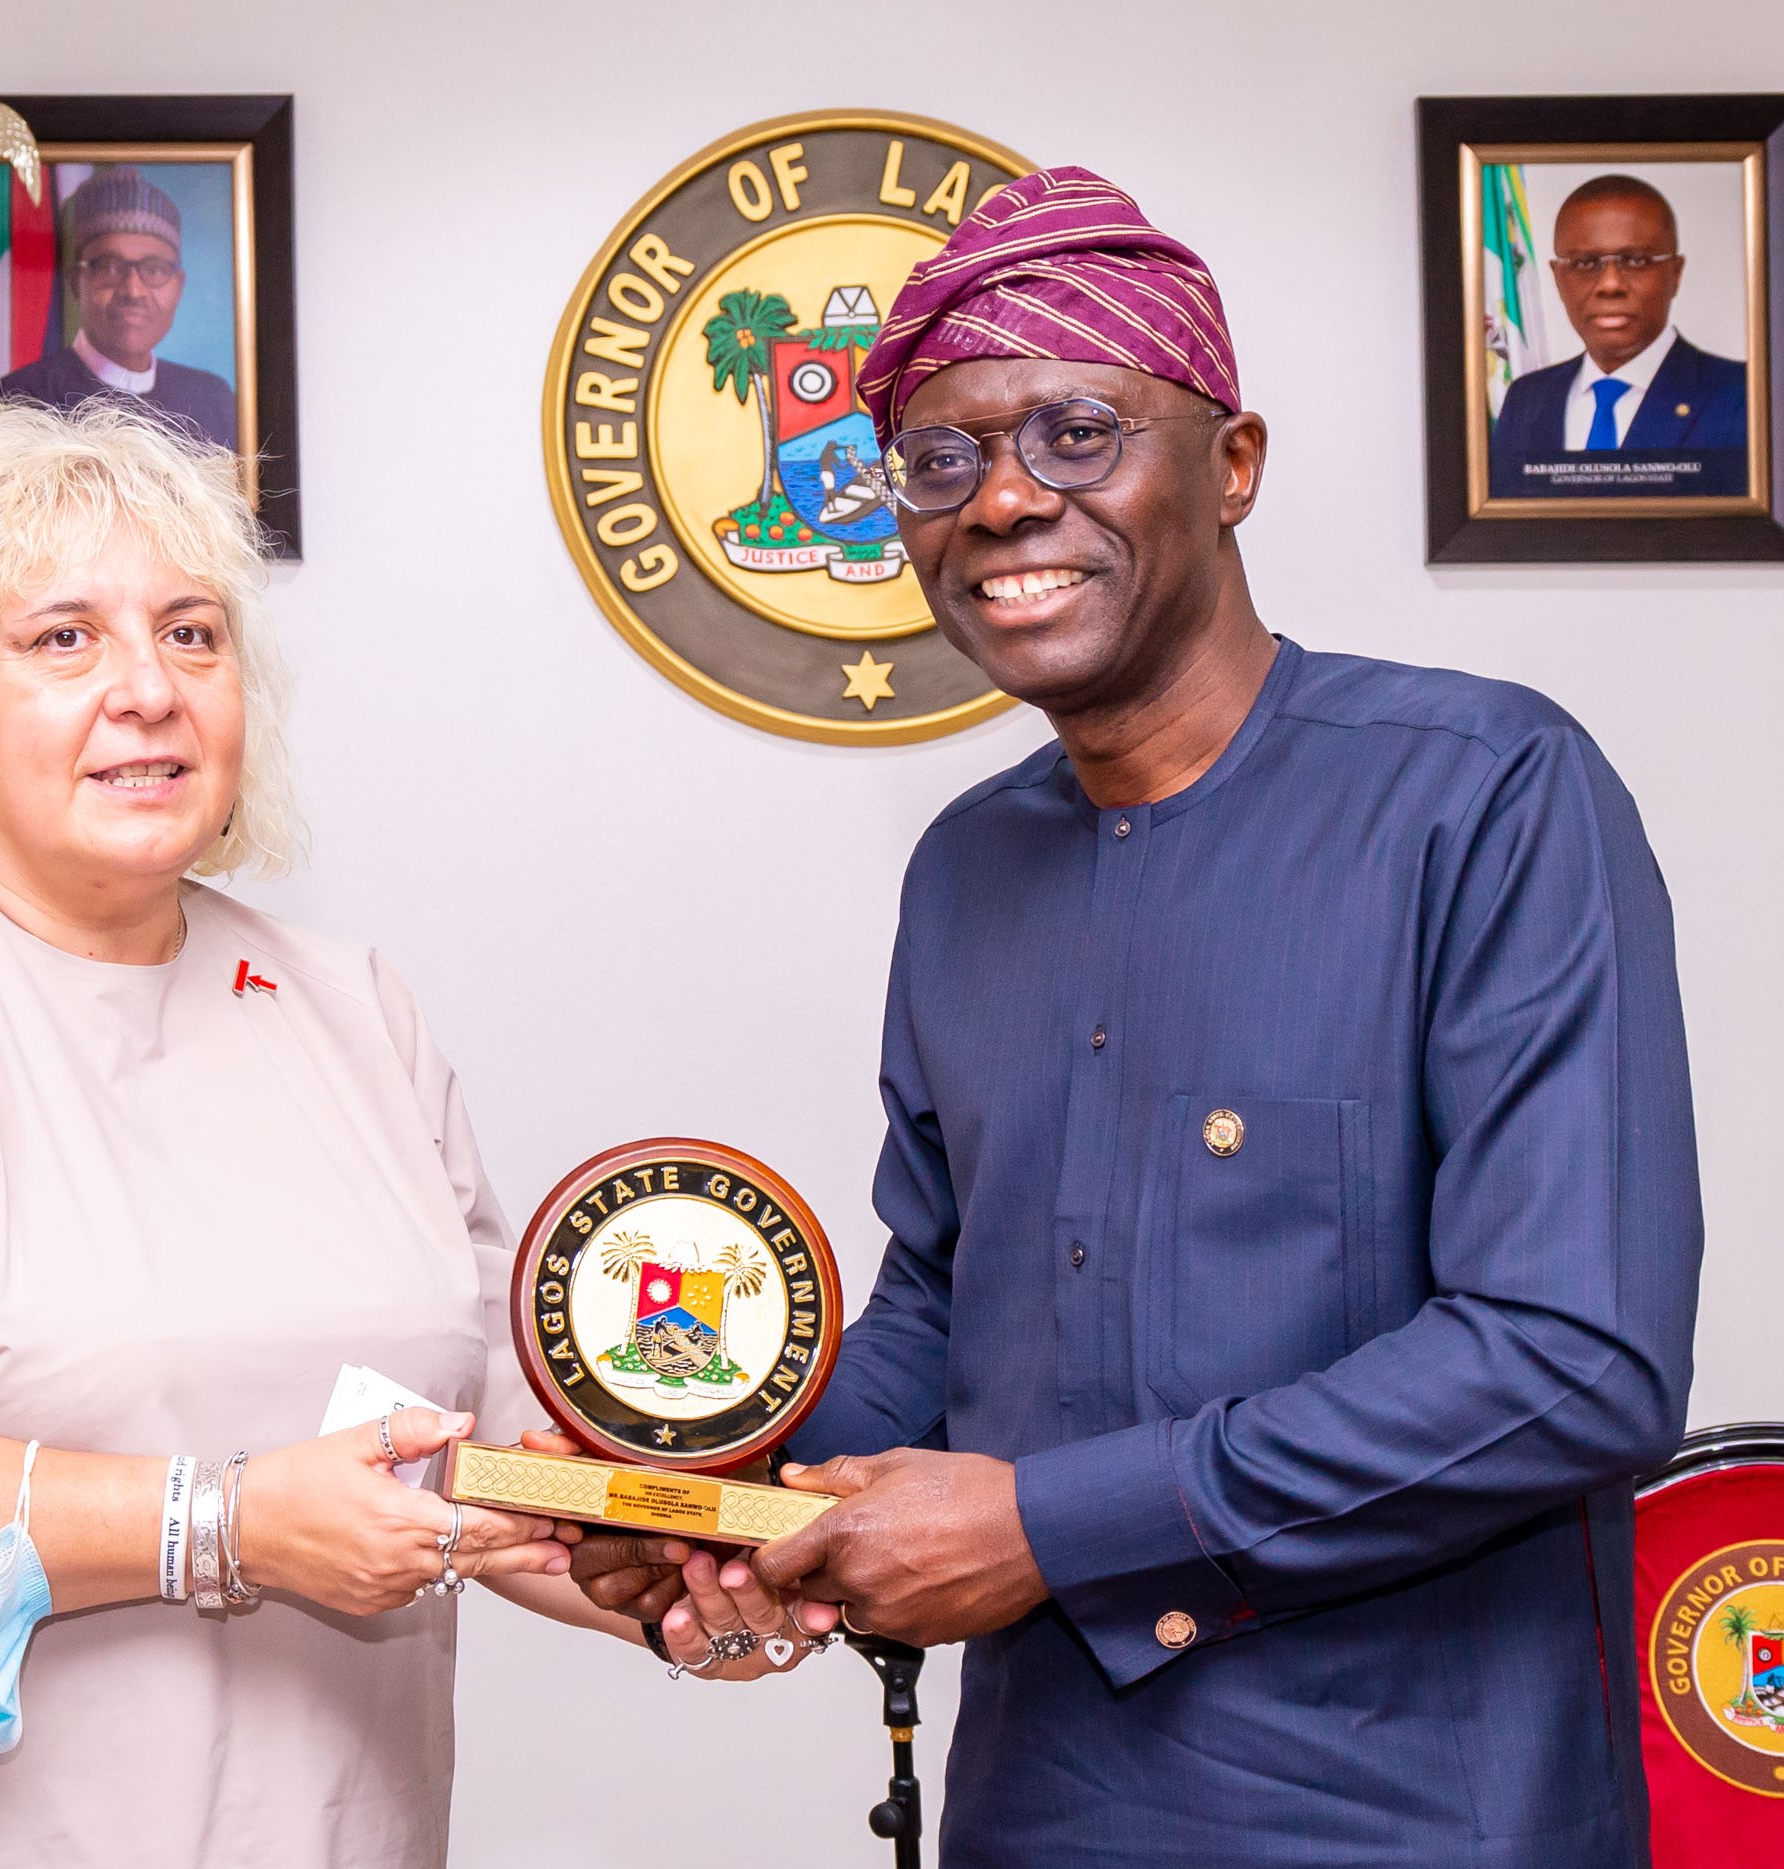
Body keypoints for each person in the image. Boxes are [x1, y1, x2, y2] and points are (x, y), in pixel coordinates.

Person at [573, 167, 1702, 1866]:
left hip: (1418, 1812)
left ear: (1231, 465)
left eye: (1079, 433)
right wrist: (710, 1482)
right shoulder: (967, 867)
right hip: (1043, 1804)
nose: (1004, 501)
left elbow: (1572, 1358)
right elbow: (952, 1295)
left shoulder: (1488, 794)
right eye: (942, 459)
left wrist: (1044, 1522)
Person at [0, 404, 805, 1869]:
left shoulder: (353, 1008)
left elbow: (450, 1466)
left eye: (193, 635)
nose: (148, 689)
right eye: (62, 639)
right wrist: (218, 1522)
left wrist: (670, 1561)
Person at [1491, 173, 1747, 494]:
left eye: (1636, 260)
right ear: (1558, 278)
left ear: (1676, 273)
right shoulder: (1527, 399)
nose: (1610, 285)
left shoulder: (1745, 396)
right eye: (1585, 263)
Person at [0, 165, 239, 449]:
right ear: (76, 282)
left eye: (154, 270)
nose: (133, 290)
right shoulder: (16, 400)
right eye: (109, 267)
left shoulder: (211, 399)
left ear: (178, 286)